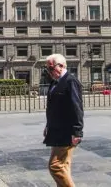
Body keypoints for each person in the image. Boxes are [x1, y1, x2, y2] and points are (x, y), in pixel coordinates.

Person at [43, 54, 84, 187]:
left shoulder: (70, 81)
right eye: (47, 69)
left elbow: (76, 107)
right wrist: (48, 126)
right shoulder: (56, 82)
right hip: (57, 130)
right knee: (64, 165)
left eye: (50, 68)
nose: (48, 72)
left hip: (66, 131)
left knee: (55, 166)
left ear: (60, 66)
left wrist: (77, 132)